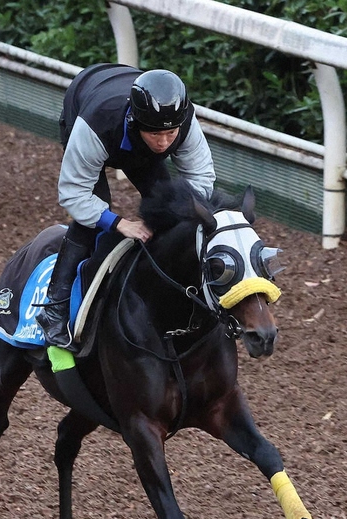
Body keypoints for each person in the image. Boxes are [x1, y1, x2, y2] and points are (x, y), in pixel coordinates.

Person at [36, 62, 216, 351]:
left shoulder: (184, 119)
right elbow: (73, 191)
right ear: (135, 121)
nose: (164, 143)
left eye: (171, 134)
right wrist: (119, 223)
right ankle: (54, 309)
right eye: (156, 134)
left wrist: (178, 214)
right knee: (92, 217)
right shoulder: (96, 123)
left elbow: (201, 177)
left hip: (123, 104)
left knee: (170, 204)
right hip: (86, 101)